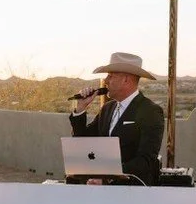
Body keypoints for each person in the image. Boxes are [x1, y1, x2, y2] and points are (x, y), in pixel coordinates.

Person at [70, 52, 164, 186]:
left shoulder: (150, 111)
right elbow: (83, 141)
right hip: (101, 189)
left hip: (132, 191)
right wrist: (81, 108)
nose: (106, 81)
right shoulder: (107, 108)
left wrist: (107, 177)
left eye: (110, 76)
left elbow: (146, 160)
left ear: (126, 79)